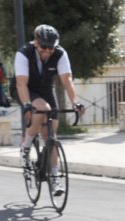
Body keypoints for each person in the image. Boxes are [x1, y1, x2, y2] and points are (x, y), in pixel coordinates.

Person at [14, 24, 80, 197]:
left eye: (51, 48)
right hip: (25, 89)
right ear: (36, 42)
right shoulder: (24, 53)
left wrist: (75, 102)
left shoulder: (60, 53)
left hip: (45, 90)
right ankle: (25, 147)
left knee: (51, 134)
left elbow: (67, 80)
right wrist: (27, 104)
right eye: (44, 47)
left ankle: (54, 178)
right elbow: (21, 83)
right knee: (42, 109)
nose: (47, 51)